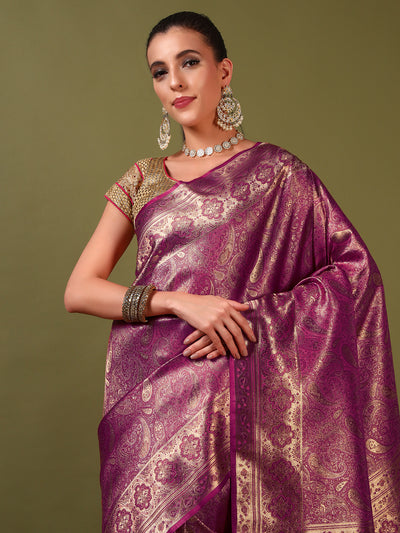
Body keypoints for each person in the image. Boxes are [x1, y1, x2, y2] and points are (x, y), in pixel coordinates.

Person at [64, 11, 400, 533]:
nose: (175, 82)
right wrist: (177, 302)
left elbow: (356, 276)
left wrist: (256, 320)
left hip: (242, 409)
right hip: (152, 412)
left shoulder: (280, 174)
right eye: (159, 71)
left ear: (224, 71)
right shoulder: (144, 178)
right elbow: (79, 290)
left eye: (189, 63)